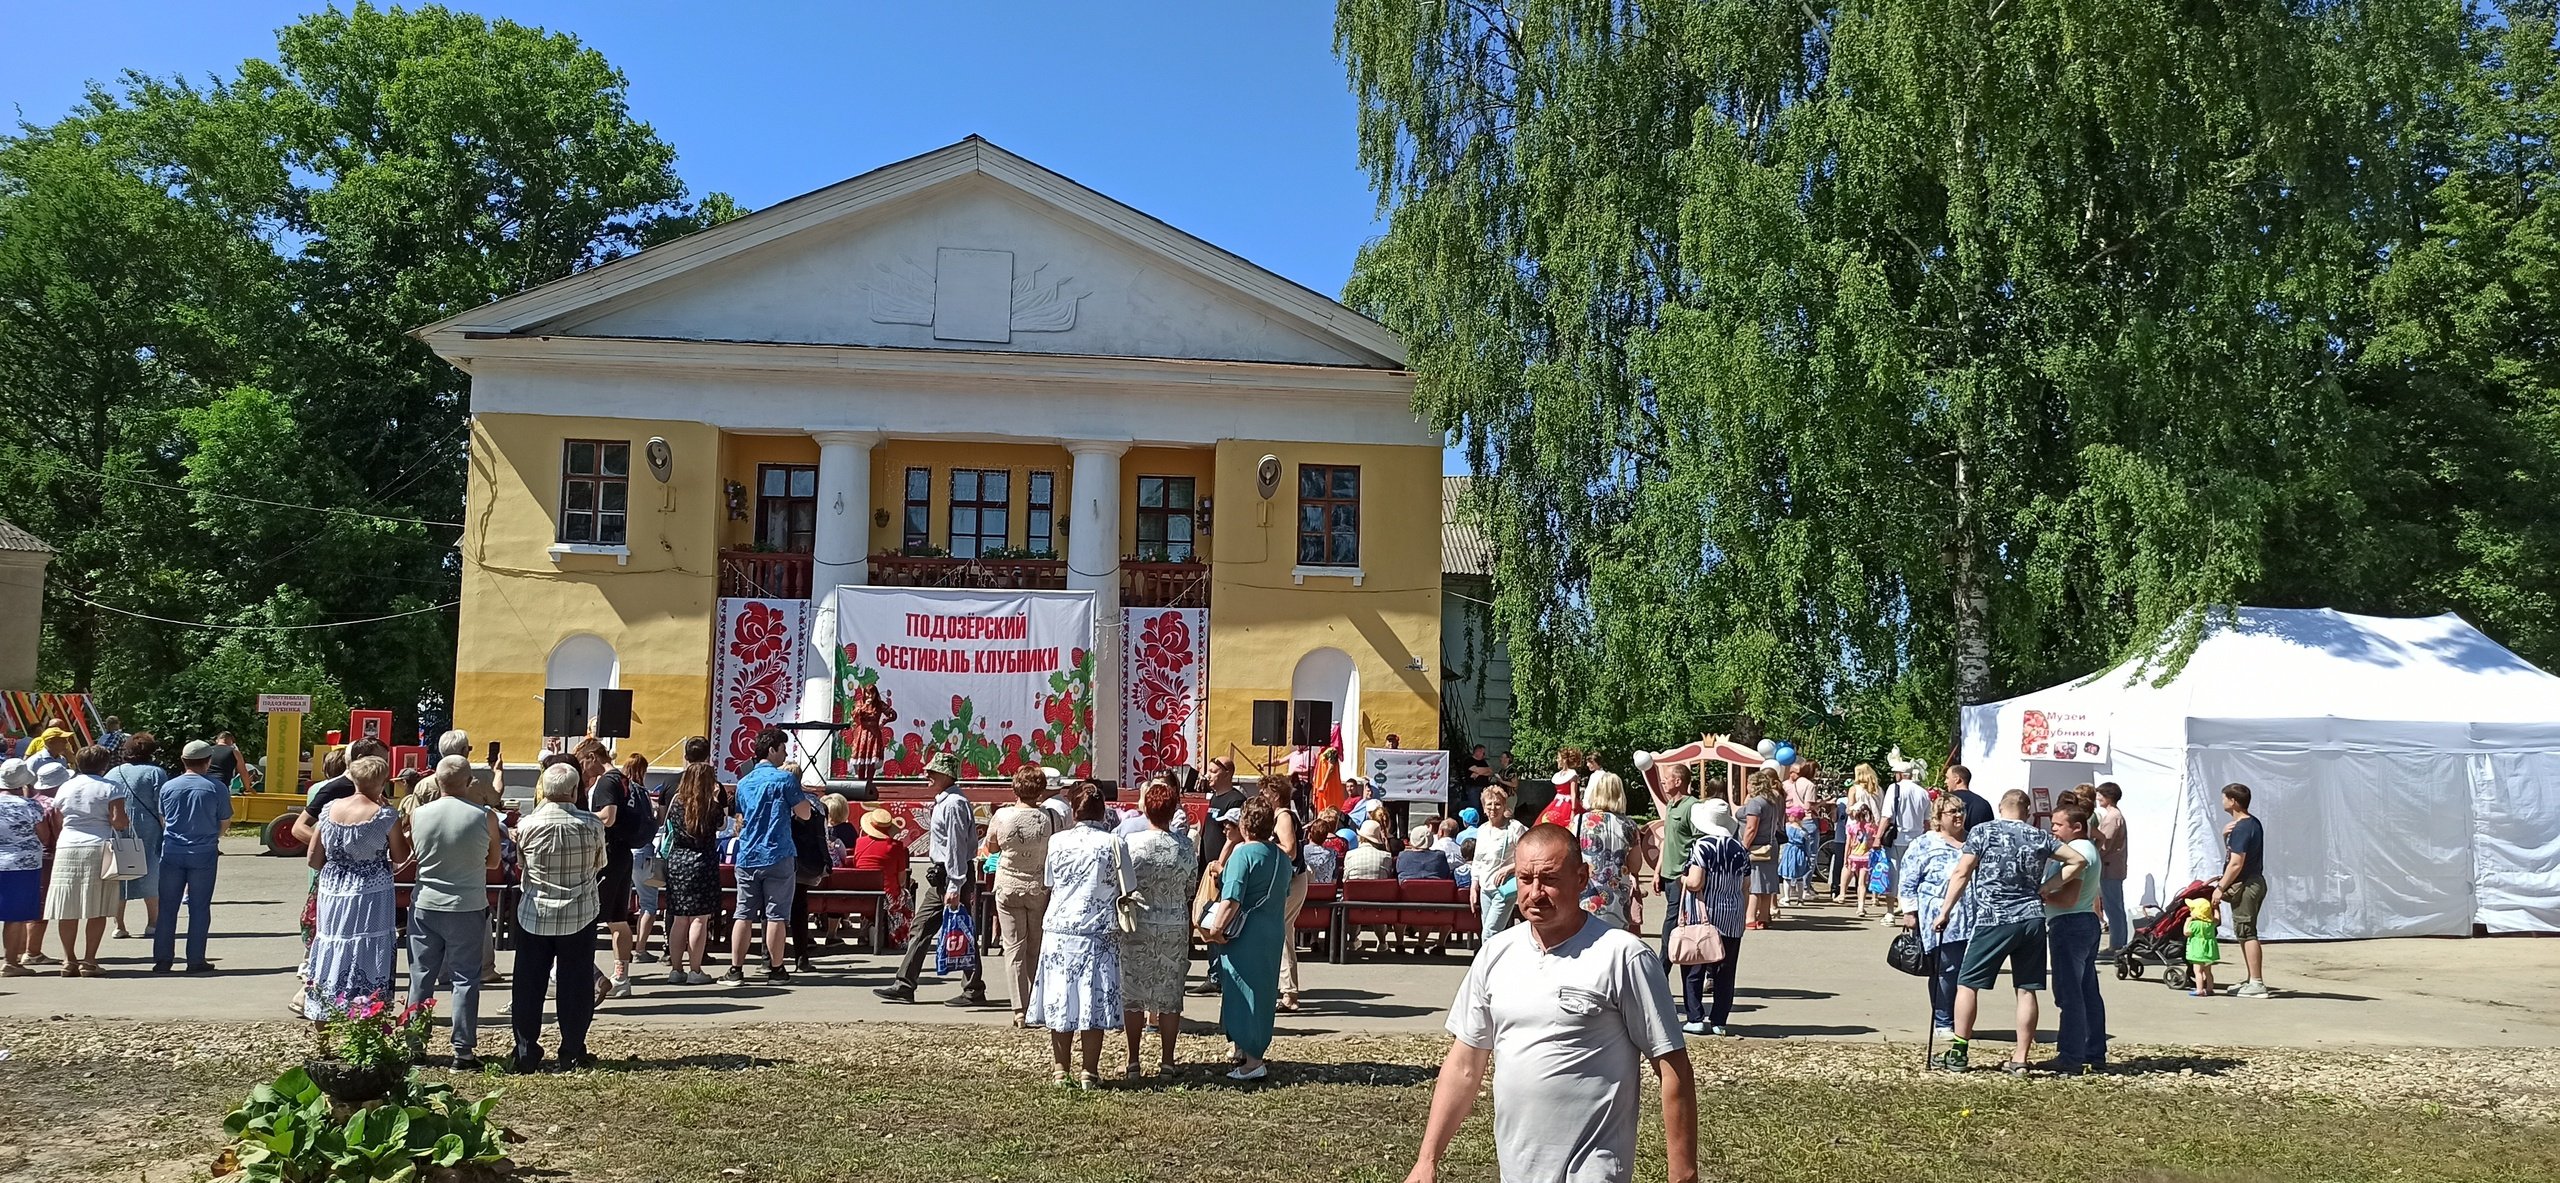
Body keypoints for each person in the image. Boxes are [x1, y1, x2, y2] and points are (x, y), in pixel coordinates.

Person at [1407, 825, 1696, 1183]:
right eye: (1525, 878)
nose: (1535, 892)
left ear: (1581, 877)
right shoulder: (1496, 953)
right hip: (1518, 1169)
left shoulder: (1622, 955)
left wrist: (1683, 1173)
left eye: (1549, 879)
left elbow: (1673, 1067)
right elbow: (1465, 1065)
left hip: (1593, 1169)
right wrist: (1427, 1158)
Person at [1931, 788, 2090, 1073]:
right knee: (2026, 989)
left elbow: (1963, 872)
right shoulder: (2039, 836)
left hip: (1994, 917)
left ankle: (1959, 1052)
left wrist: (1945, 910)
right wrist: (2049, 886)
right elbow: (2079, 860)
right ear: (2027, 812)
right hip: (2031, 918)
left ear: (2001, 808)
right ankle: (2020, 1057)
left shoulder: (1982, 832)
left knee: (1967, 984)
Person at [1027, 790, 1135, 1088]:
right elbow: (1129, 885)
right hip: (1098, 931)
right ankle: (1089, 1071)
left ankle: (1060, 1069)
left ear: (1074, 811)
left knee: (1062, 1000)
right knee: (1093, 1003)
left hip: (1061, 930)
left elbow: (1050, 880)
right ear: (1102, 813)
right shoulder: (1114, 842)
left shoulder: (1057, 841)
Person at [511, 762, 606, 1072]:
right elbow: (598, 864)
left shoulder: (526, 825)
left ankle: (525, 1050)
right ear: (575, 791)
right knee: (576, 985)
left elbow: (522, 865)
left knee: (528, 985)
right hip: (579, 912)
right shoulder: (592, 825)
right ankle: (573, 1049)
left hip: (535, 913)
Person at [407, 760, 501, 1066]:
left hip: (425, 903)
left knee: (421, 976)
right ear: (469, 781)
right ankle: (463, 1049)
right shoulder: (484, 816)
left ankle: (415, 1046)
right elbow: (494, 862)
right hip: (467, 904)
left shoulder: (418, 814)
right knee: (465, 978)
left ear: (436, 780)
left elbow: (415, 855)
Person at [876, 751, 988, 1006]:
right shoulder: (946, 801)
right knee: (922, 927)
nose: (927, 775)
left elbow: (957, 845)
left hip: (951, 875)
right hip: (944, 876)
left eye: (933, 772)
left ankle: (973, 989)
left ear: (946, 776)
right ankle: (904, 984)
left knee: (962, 929)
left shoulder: (953, 804)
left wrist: (955, 884)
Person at [304, 756, 408, 1019]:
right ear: (382, 782)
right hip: (370, 893)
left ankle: (324, 1016)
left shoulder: (328, 810)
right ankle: (366, 1015)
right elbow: (399, 855)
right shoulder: (385, 816)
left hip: (333, 889)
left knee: (330, 945)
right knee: (368, 949)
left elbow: (313, 858)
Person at [1210, 800, 1293, 1081]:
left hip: (1244, 933)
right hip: (1271, 930)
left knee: (1241, 989)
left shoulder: (1243, 855)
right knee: (1263, 992)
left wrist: (1215, 929)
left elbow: (1232, 898)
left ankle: (1252, 1061)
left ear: (1245, 825)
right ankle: (1248, 1051)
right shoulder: (1282, 857)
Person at [729, 729, 815, 985]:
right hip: (778, 852)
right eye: (783, 748)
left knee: (743, 913)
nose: (785, 753)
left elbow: (741, 816)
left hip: (748, 854)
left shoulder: (744, 782)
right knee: (777, 915)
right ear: (772, 749)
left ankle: (736, 969)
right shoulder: (785, 780)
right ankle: (776, 968)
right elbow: (805, 814)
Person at [44, 746, 132, 976]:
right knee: (98, 907)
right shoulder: (111, 787)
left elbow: (57, 819)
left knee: (67, 907)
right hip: (98, 846)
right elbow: (118, 821)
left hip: (67, 847)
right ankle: (90, 961)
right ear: (104, 765)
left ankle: (68, 960)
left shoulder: (66, 786)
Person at [1899, 797, 1977, 1042]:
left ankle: (1961, 1019)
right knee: (1946, 970)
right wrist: (1910, 912)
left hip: (1973, 917)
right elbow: (1908, 879)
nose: (1958, 815)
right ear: (1939, 816)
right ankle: (1944, 1020)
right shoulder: (1924, 843)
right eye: (1952, 811)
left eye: (1961, 810)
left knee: (1967, 973)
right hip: (1939, 917)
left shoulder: (1974, 841)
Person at [986, 767, 1059, 1025]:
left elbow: (991, 846)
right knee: (1037, 948)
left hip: (1007, 885)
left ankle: (1019, 1009)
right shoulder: (1050, 816)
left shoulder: (1002, 815)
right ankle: (1039, 1005)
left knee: (1013, 948)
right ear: (1041, 789)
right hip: (1038, 887)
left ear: (1015, 787)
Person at [152, 741, 232, 974]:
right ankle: (195, 959)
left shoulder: (168, 787)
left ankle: (163, 959)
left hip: (172, 852)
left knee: (167, 907)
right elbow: (224, 821)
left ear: (183, 761)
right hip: (204, 853)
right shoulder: (217, 788)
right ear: (207, 762)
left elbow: (163, 819)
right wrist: (211, 836)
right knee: (199, 907)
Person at [575, 741, 645, 998]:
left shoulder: (606, 782)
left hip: (608, 856)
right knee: (618, 919)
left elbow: (608, 816)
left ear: (592, 757)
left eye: (582, 761)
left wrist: (580, 820)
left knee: (590, 918)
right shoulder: (624, 778)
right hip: (623, 854)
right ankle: (621, 976)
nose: (581, 767)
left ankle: (584, 975)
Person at [2044, 803, 2109, 1073]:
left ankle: (2070, 1055)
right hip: (2084, 922)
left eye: (2058, 825)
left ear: (2077, 827)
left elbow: (2069, 898)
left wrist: (2043, 894)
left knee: (2069, 993)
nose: (2053, 829)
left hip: (2070, 924)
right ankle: (2094, 1051)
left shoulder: (2078, 851)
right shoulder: (2088, 849)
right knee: (2087, 992)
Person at [1677, 799, 1751, 1037]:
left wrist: (1683, 880)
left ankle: (1695, 1018)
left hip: (1704, 915)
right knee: (1725, 972)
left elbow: (1696, 881)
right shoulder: (1740, 849)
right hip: (1732, 915)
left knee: (1694, 967)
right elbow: (1745, 886)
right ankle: (1720, 1020)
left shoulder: (1702, 846)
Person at [658, 762, 725, 985]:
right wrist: (716, 798)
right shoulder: (710, 805)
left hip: (677, 862)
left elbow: (667, 825)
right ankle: (695, 970)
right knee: (699, 919)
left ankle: (676, 969)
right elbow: (722, 826)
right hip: (702, 863)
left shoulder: (677, 801)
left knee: (679, 918)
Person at [1255, 773, 1311, 1014]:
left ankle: (1289, 993)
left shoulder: (1283, 817)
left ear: (1275, 795)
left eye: (1264, 793)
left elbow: (1288, 849)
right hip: (1292, 880)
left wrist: (1262, 844)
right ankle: (1288, 992)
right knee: (1284, 933)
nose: (1261, 797)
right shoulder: (1281, 816)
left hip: (1292, 881)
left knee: (1282, 933)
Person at [0, 758, 62, 975]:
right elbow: (44, 836)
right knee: (15, 916)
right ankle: (10, 962)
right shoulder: (30, 806)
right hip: (23, 865)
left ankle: (12, 960)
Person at [2213, 782, 2271, 998]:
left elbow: (2236, 863)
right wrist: (2225, 836)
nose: (2222, 802)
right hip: (2253, 881)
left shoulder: (2243, 826)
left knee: (2247, 932)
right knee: (2243, 932)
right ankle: (2251, 979)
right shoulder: (2250, 824)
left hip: (2247, 884)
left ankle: (2257, 982)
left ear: (2233, 801)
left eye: (2224, 798)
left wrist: (2220, 887)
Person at [106, 734, 166, 940]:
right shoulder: (156, 773)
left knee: (120, 875)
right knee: (152, 874)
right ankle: (153, 923)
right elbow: (161, 806)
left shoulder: (113, 772)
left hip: (120, 828)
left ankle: (119, 926)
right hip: (149, 830)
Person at [1576, 767, 1640, 931]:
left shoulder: (1580, 821)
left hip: (1586, 895)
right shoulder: (1629, 825)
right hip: (1618, 899)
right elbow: (1635, 865)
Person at [617, 752, 661, 966]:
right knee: (649, 903)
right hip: (646, 853)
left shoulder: (620, 790)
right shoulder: (643, 793)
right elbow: (655, 822)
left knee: (619, 902)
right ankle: (640, 948)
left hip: (624, 852)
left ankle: (621, 949)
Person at [1653, 764, 1700, 960]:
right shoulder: (1671, 804)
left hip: (1683, 876)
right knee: (1680, 923)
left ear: (1678, 781)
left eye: (1667, 778)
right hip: (1668, 875)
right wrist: (1657, 870)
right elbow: (1667, 840)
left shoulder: (1693, 807)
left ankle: (1661, 971)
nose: (1663, 781)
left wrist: (1692, 873)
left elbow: (1699, 843)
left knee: (1671, 924)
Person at [851, 807, 914, 950]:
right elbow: (901, 879)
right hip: (887, 896)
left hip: (862, 894)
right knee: (906, 897)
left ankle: (865, 931)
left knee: (874, 891)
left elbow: (857, 865)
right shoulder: (895, 846)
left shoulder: (859, 842)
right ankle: (898, 938)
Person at [1468, 783, 1526, 936]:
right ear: (1483, 807)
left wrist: (1509, 868)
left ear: (1504, 806)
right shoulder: (1482, 830)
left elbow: (1528, 856)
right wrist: (1474, 886)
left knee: (1490, 932)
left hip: (1504, 888)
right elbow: (1478, 860)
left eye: (1498, 804)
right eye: (1489, 804)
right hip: (1485, 888)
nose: (1493, 808)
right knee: (1488, 931)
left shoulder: (1515, 828)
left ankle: (1486, 960)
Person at [1879, 762, 1933, 907]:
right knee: (1912, 874)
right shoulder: (1923, 792)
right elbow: (1927, 821)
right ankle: (1906, 907)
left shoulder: (1894, 788)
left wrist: (1878, 837)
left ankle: (1890, 910)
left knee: (1893, 873)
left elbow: (1886, 816)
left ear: (1900, 774)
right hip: (1917, 838)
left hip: (1897, 837)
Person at [1738, 769, 1785, 929]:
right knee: (1767, 883)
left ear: (1755, 784)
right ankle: (1763, 917)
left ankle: (1750, 918)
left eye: (1749, 783)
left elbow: (1751, 827)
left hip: (1757, 847)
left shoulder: (1755, 802)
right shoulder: (1772, 800)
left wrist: (1744, 847)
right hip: (1771, 845)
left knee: (1755, 884)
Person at [1843, 805, 1879, 917]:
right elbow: (1873, 844)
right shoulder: (1872, 828)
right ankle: (1861, 906)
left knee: (1859, 881)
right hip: (1866, 857)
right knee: (1862, 883)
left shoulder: (1851, 827)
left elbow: (1848, 844)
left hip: (1854, 856)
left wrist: (1845, 858)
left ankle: (1860, 906)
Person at [2184, 897, 2221, 997]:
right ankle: (2210, 989)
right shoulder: (2210, 923)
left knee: (2198, 971)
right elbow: (2217, 919)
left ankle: (2199, 989)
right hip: (2209, 950)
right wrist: (2216, 908)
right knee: (2208, 972)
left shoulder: (2194, 924)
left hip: (2198, 950)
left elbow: (2186, 932)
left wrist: (2187, 921)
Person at [1945, 763, 1994, 832]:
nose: (1945, 781)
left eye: (1947, 778)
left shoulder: (1946, 802)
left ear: (1957, 779)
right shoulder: (1983, 803)